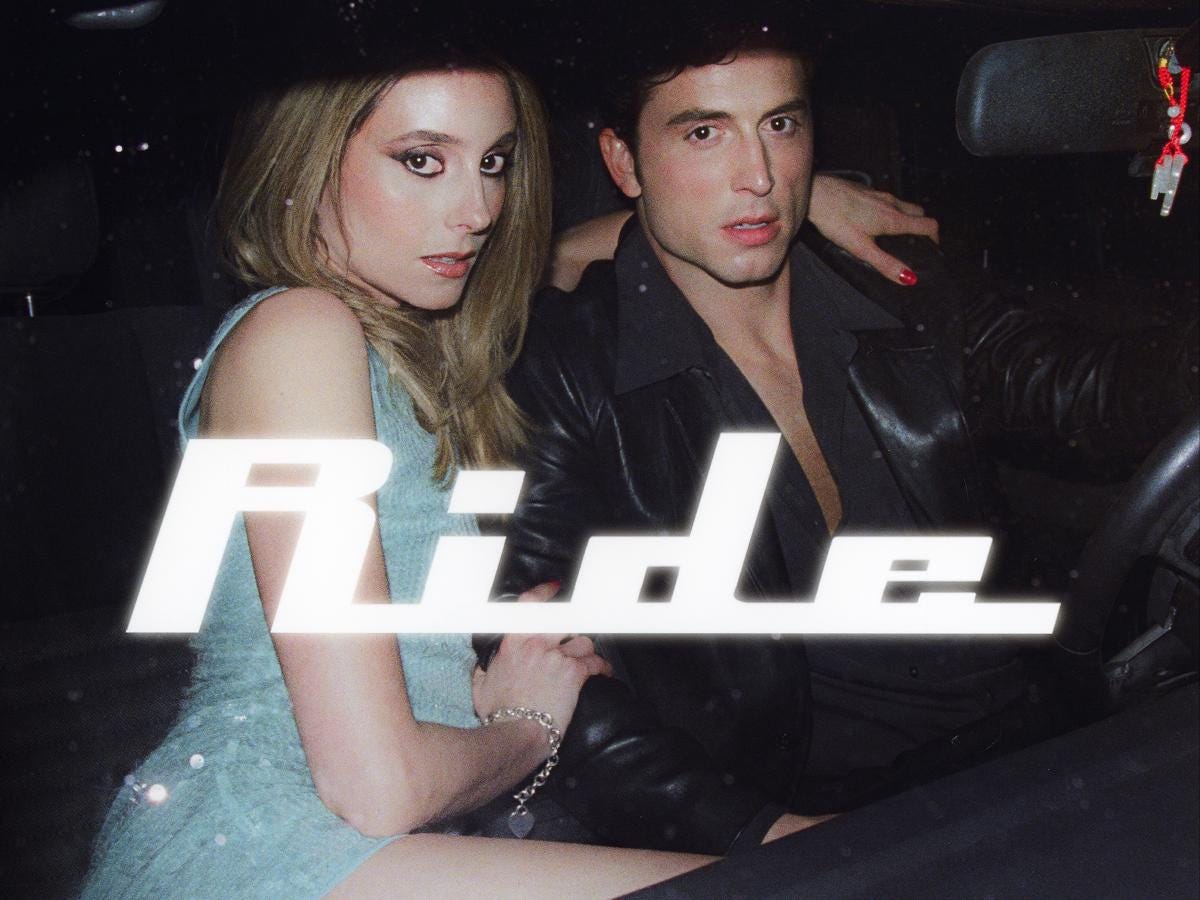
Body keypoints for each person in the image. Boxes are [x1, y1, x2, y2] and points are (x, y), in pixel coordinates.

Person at [496, 22, 1199, 855]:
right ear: (623, 163)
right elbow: (544, 660)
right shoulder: (567, 370)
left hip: (1040, 757)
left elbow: (1085, 386)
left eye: (780, 125)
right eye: (704, 133)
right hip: (817, 817)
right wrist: (763, 836)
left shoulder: (892, 284)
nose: (759, 177)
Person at [80, 54, 738, 899]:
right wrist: (527, 724)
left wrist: (801, 206)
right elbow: (380, 786)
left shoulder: (393, 348)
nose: (479, 209)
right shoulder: (300, 333)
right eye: (422, 160)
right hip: (260, 846)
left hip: (334, 838)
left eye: (493, 162)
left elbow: (567, 255)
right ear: (308, 162)